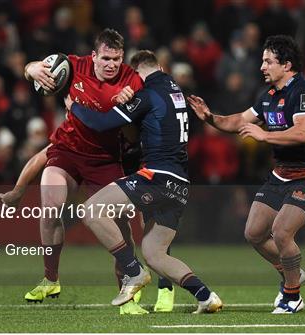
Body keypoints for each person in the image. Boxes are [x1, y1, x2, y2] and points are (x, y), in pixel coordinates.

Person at [3, 29, 174, 314]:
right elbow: (32, 69)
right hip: (67, 151)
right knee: (50, 206)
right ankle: (50, 279)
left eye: (117, 59)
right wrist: (32, 68)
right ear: (93, 56)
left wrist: (127, 107)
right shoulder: (74, 65)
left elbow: (133, 136)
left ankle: (129, 298)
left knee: (119, 229)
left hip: (106, 159)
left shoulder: (132, 81)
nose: (111, 64)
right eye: (106, 58)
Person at [66, 50, 223, 314]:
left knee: (91, 209)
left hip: (157, 177)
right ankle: (206, 296)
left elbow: (102, 123)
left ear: (136, 73)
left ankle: (132, 271)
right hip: (180, 183)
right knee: (155, 254)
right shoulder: (175, 92)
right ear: (160, 67)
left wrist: (75, 106)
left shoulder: (147, 94)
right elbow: (144, 128)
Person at [188, 35, 305, 314]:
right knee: (253, 233)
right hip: (280, 175)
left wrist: (264, 135)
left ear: (286, 65)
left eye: (268, 61)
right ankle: (293, 273)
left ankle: (292, 296)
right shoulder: (270, 97)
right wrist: (210, 118)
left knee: (281, 232)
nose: (262, 66)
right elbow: (239, 120)